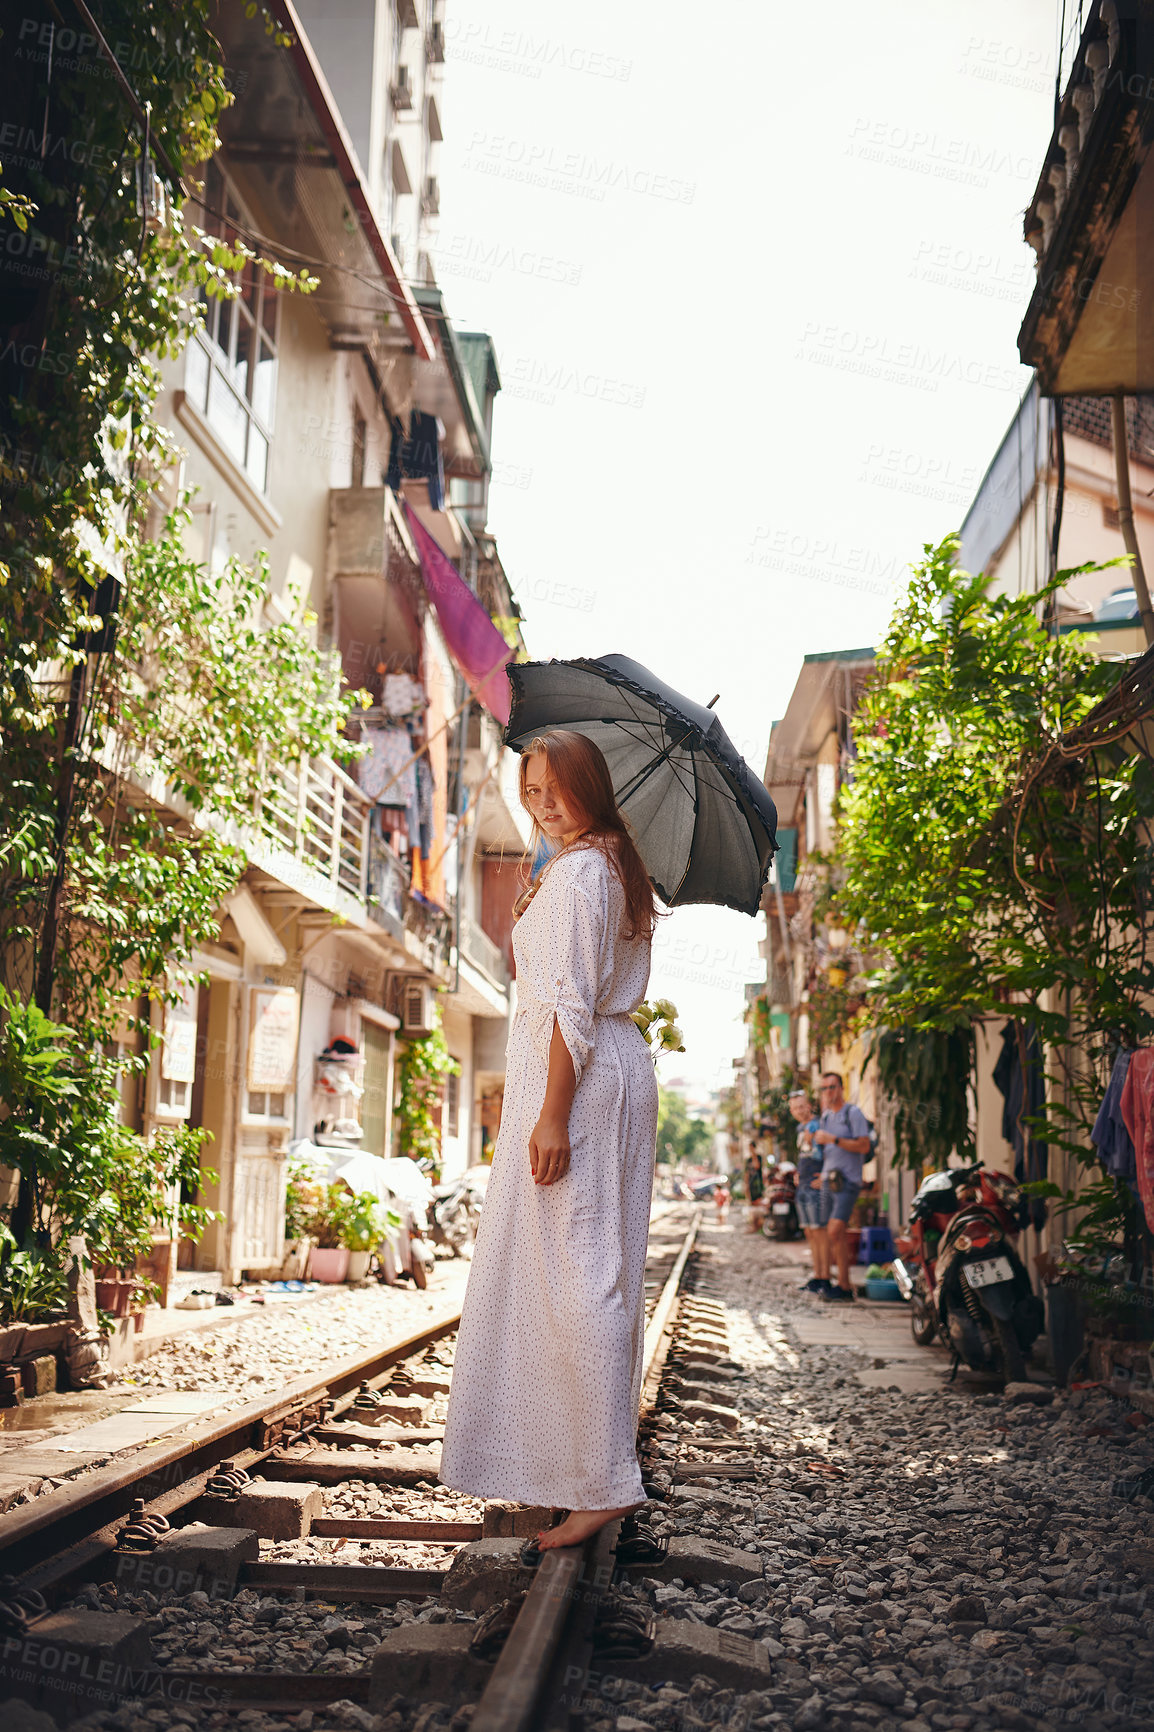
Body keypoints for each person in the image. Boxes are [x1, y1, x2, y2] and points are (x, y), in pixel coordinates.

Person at [439, 728, 659, 1551]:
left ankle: (601, 1481)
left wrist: (554, 1113)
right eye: (529, 791)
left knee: (579, 1274)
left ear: (589, 787)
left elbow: (567, 1003)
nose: (540, 803)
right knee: (586, 1266)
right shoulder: (603, 867)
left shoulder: (581, 876)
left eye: (553, 789)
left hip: (581, 1080)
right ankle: (579, 1467)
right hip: (606, 1072)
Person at [814, 1071, 872, 1303]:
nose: (828, 1092)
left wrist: (834, 1139)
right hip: (829, 1181)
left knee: (836, 1230)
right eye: (824, 1088)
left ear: (841, 1088)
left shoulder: (853, 1113)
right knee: (832, 1235)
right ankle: (842, 1285)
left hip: (848, 1181)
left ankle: (845, 1285)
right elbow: (828, 1153)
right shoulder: (826, 1117)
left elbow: (864, 1146)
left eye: (832, 1087)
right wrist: (823, 1174)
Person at [788, 1088, 828, 1293]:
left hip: (815, 1185)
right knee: (810, 1232)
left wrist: (826, 1175)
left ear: (809, 1105)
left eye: (802, 1106)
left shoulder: (820, 1125)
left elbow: (829, 1153)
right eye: (795, 1108)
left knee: (820, 1231)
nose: (799, 1111)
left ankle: (825, 1277)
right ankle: (817, 1275)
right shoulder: (799, 1129)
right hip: (802, 1185)